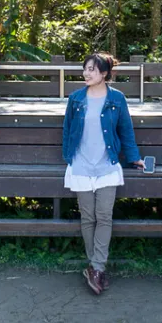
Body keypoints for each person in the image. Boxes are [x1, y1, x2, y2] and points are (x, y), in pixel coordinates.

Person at [62, 52, 144, 295]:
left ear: (105, 73)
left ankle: (97, 266)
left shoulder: (117, 99)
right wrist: (69, 157)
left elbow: (126, 130)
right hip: (81, 166)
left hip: (106, 166)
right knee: (88, 218)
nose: (86, 73)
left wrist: (134, 158)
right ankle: (94, 266)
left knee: (104, 217)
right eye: (85, 68)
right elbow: (67, 130)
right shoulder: (76, 99)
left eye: (92, 69)